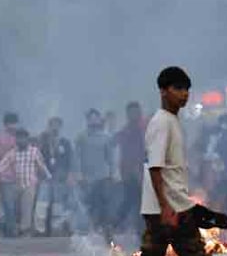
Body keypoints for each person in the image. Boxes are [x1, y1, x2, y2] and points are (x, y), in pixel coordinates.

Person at [98, 66, 225, 256]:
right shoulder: (161, 123)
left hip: (166, 205)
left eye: (187, 89)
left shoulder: (171, 122)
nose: (184, 94)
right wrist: (167, 206)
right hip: (169, 207)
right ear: (163, 91)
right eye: (178, 88)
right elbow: (155, 167)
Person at [0, 129, 51, 237]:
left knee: (27, 208)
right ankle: (12, 229)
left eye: (23, 138)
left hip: (30, 184)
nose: (21, 140)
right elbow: (1, 166)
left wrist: (48, 177)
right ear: (16, 140)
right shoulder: (12, 153)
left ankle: (25, 230)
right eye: (18, 138)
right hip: (16, 184)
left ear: (27, 139)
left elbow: (42, 166)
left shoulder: (34, 151)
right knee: (11, 207)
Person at [75, 109, 115, 241]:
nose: (93, 120)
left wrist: (113, 173)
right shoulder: (81, 137)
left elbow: (110, 158)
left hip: (103, 176)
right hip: (88, 177)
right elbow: (77, 157)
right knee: (91, 203)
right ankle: (92, 227)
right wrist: (79, 174)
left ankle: (106, 228)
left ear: (99, 119)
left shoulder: (106, 137)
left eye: (95, 118)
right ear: (87, 120)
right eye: (90, 118)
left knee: (104, 203)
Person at [114, 102, 146, 236]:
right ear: (128, 115)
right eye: (132, 113)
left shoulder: (145, 129)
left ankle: (140, 231)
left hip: (144, 172)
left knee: (140, 203)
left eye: (137, 112)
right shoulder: (125, 132)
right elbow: (126, 155)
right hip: (130, 174)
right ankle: (115, 225)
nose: (135, 115)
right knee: (131, 202)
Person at [39, 117, 73, 235]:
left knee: (58, 204)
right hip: (46, 176)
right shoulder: (43, 142)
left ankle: (56, 228)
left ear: (60, 127)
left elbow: (70, 160)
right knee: (42, 204)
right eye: (52, 125)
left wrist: (69, 175)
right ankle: (40, 230)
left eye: (57, 125)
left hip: (60, 178)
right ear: (49, 127)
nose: (55, 128)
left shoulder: (65, 143)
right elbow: (38, 159)